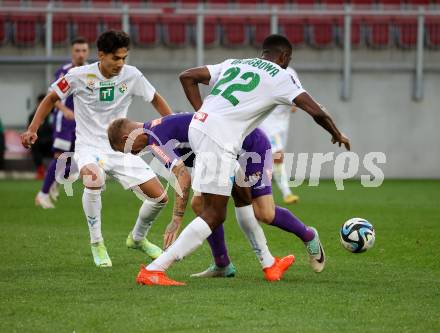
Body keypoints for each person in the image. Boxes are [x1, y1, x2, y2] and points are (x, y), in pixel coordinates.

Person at [133, 34, 350, 286]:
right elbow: (315, 110)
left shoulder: (235, 63)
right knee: (213, 213)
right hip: (222, 139)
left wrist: (203, 111)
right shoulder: (282, 75)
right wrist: (337, 134)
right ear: (285, 57)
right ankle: (155, 269)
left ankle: (271, 262)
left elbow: (187, 76)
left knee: (245, 202)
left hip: (204, 131)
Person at [21, 30, 173, 268]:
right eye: (116, 58)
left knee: (160, 197)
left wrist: (171, 125)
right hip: (89, 146)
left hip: (121, 147)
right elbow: (51, 98)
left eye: (124, 58)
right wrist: (33, 128)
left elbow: (155, 98)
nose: (121, 64)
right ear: (101, 55)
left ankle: (137, 239)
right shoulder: (78, 75)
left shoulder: (132, 76)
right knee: (93, 180)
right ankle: (97, 243)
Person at [108, 113, 301, 281]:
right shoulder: (158, 127)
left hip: (249, 148)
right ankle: (235, 264)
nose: (132, 155)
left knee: (261, 212)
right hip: (224, 152)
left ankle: (307, 238)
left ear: (126, 138)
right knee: (204, 205)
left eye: (124, 150)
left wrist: (176, 219)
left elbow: (183, 177)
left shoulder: (154, 139)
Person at [35, 37, 90, 209]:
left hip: (82, 124)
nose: (80, 54)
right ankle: (42, 195)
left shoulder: (91, 71)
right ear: (72, 52)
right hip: (64, 123)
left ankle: (55, 182)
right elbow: (52, 96)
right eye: (77, 50)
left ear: (88, 52)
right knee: (60, 157)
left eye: (83, 50)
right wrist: (64, 110)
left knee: (76, 161)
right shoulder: (64, 71)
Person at [259, 67, 300, 204]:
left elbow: (297, 93)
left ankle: (251, 187)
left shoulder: (290, 72)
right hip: (268, 123)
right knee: (278, 156)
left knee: (268, 159)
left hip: (282, 124)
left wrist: (295, 103)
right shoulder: (264, 71)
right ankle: (286, 193)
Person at [28, 94, 53, 179]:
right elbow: (29, 131)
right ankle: (40, 171)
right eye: (41, 103)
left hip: (51, 142)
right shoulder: (32, 116)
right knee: (34, 145)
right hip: (39, 143)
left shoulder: (53, 115)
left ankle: (63, 171)